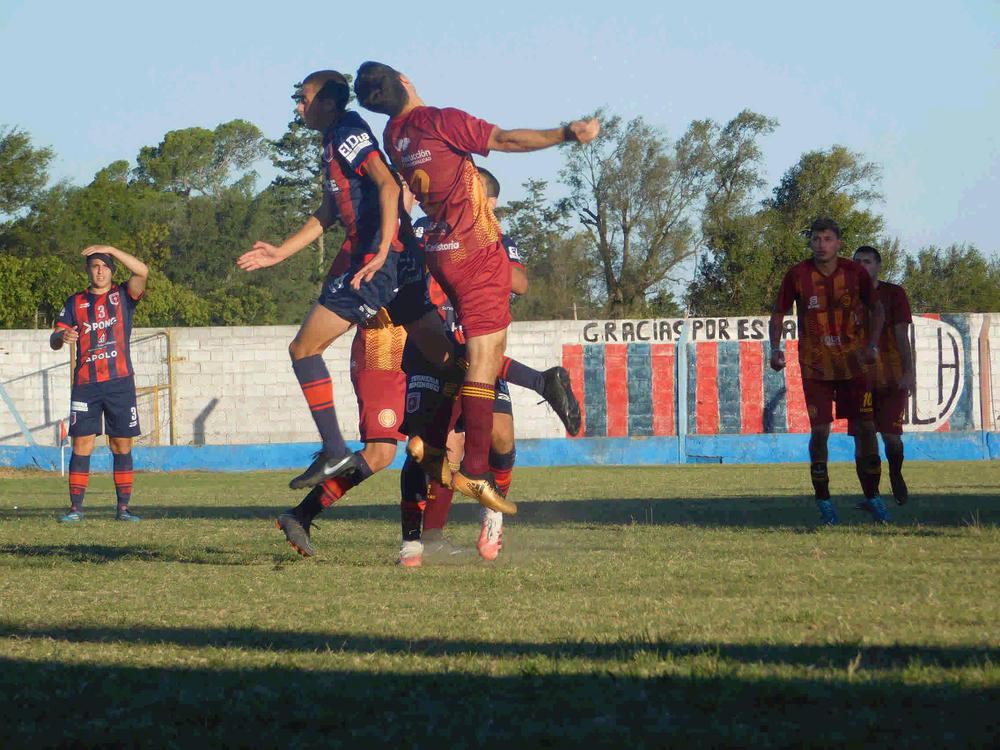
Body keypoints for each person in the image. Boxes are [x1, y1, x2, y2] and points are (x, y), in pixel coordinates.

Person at [354, 61, 598, 516]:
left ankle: (441, 437)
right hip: (476, 252)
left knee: (465, 359)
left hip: (439, 251)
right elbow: (505, 140)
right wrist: (567, 133)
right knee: (483, 365)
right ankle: (478, 470)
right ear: (404, 80)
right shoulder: (438, 120)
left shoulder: (393, 135)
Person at [238, 70, 419, 491]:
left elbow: (388, 185)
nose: (299, 106)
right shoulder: (332, 140)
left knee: (304, 348)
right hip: (370, 257)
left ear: (328, 102)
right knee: (438, 350)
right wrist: (280, 252)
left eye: (304, 98)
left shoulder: (349, 131)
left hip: (374, 262)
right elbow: (327, 212)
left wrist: (382, 249)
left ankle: (334, 449)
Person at [398, 168, 579, 565]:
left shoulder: (497, 239)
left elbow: (521, 284)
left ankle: (492, 517)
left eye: (473, 190)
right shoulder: (429, 229)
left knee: (502, 437)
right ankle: (420, 539)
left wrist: (481, 251)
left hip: (480, 349)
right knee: (431, 448)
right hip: (432, 350)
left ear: (490, 203)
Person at [769, 218, 886, 525]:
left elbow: (877, 309)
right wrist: (774, 347)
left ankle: (873, 496)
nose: (821, 244)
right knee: (820, 431)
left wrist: (872, 344)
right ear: (810, 242)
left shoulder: (854, 272)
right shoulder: (797, 274)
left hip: (853, 364)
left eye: (828, 239)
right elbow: (779, 312)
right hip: (815, 365)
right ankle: (824, 501)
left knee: (866, 427)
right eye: (816, 239)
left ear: (838, 243)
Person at [51, 245, 148, 522]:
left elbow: (142, 271)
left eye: (105, 266)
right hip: (86, 385)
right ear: (88, 270)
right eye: (95, 266)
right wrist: (62, 338)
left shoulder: (123, 295)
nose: (100, 271)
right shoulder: (75, 302)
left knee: (121, 445)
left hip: (120, 383)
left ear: (112, 270)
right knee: (81, 444)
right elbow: (54, 339)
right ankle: (76, 509)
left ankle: (123, 509)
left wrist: (111, 250)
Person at [852, 245, 914, 505]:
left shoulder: (894, 293)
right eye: (857, 262)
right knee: (863, 439)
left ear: (878, 265)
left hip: (891, 377)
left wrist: (909, 372)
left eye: (867, 261)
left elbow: (902, 335)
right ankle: (872, 496)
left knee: (891, 437)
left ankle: (896, 473)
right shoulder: (844, 297)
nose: (861, 266)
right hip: (858, 379)